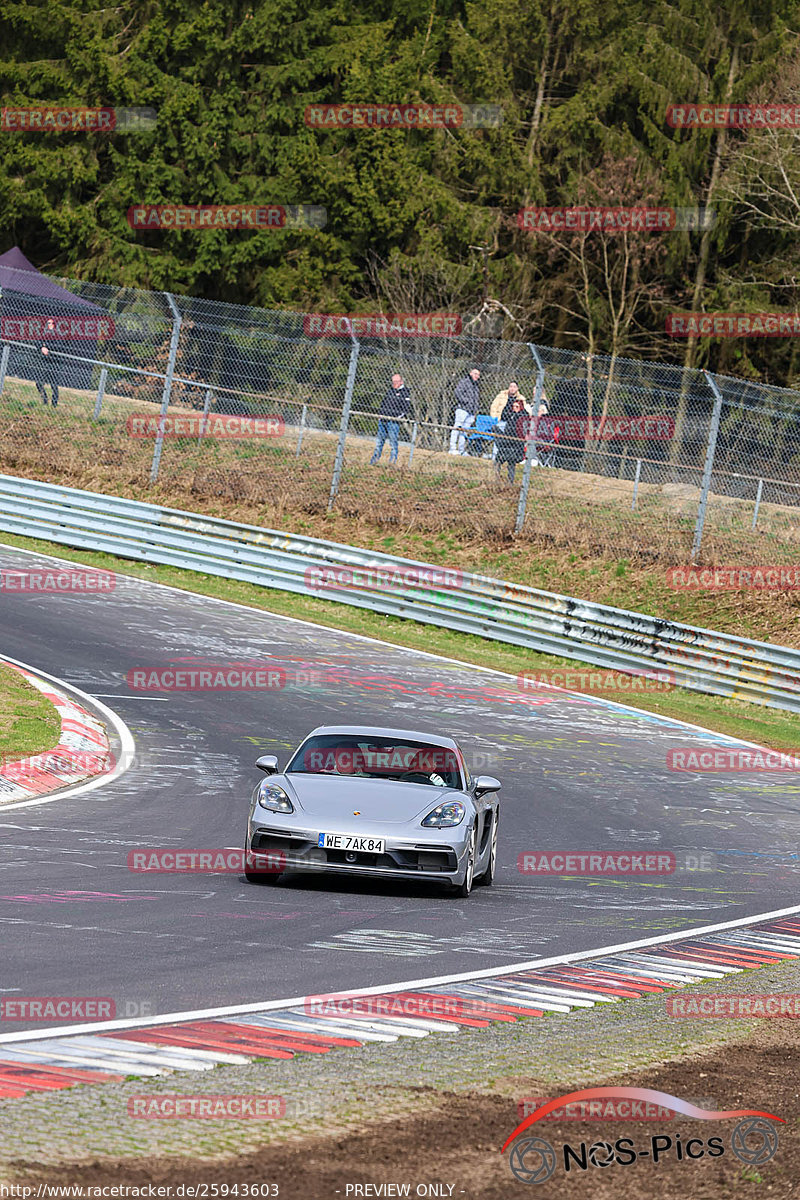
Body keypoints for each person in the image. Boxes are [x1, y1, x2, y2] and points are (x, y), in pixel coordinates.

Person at [370, 373, 411, 465]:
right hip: (383, 419)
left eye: (396, 381)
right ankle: (374, 461)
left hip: (393, 422)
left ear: (401, 382)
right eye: (393, 381)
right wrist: (380, 415)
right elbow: (383, 403)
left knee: (393, 443)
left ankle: (392, 462)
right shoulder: (390, 391)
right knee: (379, 442)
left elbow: (405, 409)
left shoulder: (405, 393)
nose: (394, 383)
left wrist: (396, 417)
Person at [494, 393, 531, 483]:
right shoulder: (511, 415)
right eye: (513, 406)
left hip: (515, 444)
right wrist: (509, 402)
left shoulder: (523, 417)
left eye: (517, 406)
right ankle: (496, 477)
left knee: (511, 463)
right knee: (498, 460)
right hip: (507, 442)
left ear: (521, 407)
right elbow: (503, 415)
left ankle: (510, 481)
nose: (514, 408)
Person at [449, 367, 481, 455]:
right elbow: (457, 392)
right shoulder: (465, 382)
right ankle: (452, 448)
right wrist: (465, 401)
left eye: (478, 374)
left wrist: (475, 409)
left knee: (465, 431)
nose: (477, 376)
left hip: (471, 411)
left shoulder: (476, 386)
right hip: (463, 409)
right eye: (475, 374)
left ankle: (461, 450)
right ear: (471, 373)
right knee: (457, 427)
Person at [35, 318, 59, 407]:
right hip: (44, 362)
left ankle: (54, 405)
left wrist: (46, 346)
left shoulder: (57, 334)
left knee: (53, 385)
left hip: (54, 363)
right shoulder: (44, 333)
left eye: (50, 323)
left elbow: (58, 346)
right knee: (38, 383)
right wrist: (42, 347)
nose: (48, 325)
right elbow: (37, 342)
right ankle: (45, 399)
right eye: (47, 323)